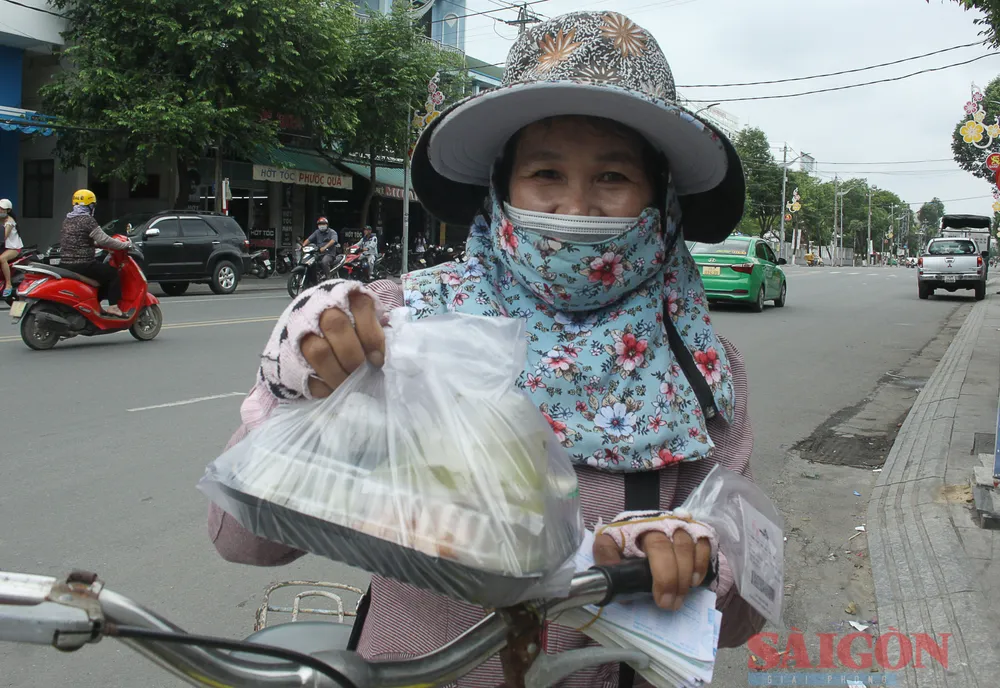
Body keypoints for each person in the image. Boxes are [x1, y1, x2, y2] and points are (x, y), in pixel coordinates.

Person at [209, 11, 765, 686]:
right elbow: (241, 540)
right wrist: (293, 391)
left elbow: (738, 623)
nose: (576, 209)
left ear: (660, 200)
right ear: (502, 189)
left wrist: (694, 557)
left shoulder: (699, 374)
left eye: (612, 178)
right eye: (546, 174)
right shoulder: (396, 328)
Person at [59, 189, 131, 318]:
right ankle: (114, 307)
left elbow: (78, 240)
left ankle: (94, 306)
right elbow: (104, 239)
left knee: (100, 276)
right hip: (82, 264)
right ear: (90, 206)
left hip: (65, 264)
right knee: (112, 274)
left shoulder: (67, 220)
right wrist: (125, 245)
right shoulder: (87, 220)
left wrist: (96, 245)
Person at [1, 198, 23, 298]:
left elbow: (3, 236)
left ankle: (8, 285)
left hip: (13, 248)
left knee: (2, 259)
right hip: (3, 247)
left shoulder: (9, 221)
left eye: (3, 209)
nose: (0, 210)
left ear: (8, 210)